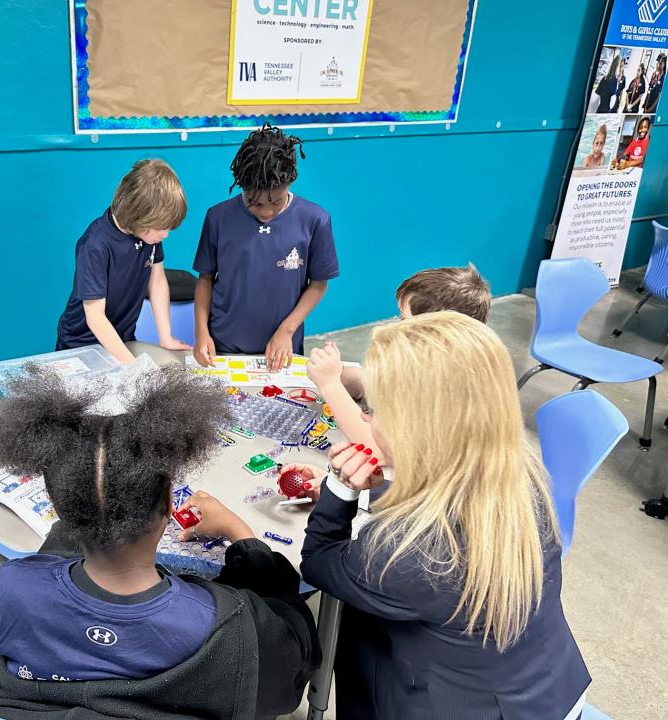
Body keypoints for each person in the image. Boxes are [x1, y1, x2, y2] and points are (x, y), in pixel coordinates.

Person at [0, 365, 320, 720]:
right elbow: (292, 666)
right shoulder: (227, 627)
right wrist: (242, 537)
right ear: (168, 505)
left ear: (60, 508)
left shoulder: (12, 588)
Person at [294, 312, 591, 719]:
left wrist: (340, 490)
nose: (365, 418)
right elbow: (438, 488)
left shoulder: (408, 555)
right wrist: (379, 484)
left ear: (418, 428)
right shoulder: (519, 469)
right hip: (548, 688)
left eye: (374, 409)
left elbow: (320, 563)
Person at [192, 123, 339, 372]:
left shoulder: (316, 220)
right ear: (242, 188)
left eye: (275, 202)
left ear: (291, 182)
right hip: (223, 346)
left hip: (280, 349)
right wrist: (201, 333)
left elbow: (318, 284)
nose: (266, 212)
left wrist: (287, 329)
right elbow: (205, 279)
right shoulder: (218, 217)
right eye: (254, 203)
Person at [314, 264, 492, 455]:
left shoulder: (446, 386)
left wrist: (330, 384)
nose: (396, 325)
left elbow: (377, 449)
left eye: (404, 319)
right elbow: (391, 388)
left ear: (439, 333)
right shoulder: (438, 361)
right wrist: (344, 375)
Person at [56, 159, 192, 364]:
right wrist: (134, 366)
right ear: (140, 218)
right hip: (80, 345)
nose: (166, 235)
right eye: (162, 227)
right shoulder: (95, 244)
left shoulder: (150, 236)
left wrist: (166, 337)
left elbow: (157, 282)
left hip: (122, 340)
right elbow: (95, 317)